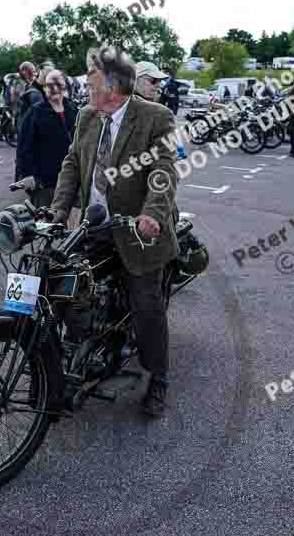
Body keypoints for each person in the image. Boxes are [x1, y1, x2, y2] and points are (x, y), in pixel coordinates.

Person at [50, 44, 179, 417]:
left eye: (92, 84)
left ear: (114, 87)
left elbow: (163, 170)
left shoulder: (157, 116)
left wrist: (152, 214)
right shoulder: (88, 116)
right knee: (62, 286)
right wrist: (59, 209)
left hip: (138, 231)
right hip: (94, 226)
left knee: (146, 306)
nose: (87, 91)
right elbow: (73, 163)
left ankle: (158, 376)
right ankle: (72, 357)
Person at [15, 69, 78, 208]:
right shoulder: (36, 112)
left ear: (64, 86)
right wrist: (27, 174)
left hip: (71, 183)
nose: (54, 88)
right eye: (49, 85)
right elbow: (24, 147)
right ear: (44, 88)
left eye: (58, 84)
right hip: (46, 184)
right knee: (46, 225)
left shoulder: (74, 110)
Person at [16, 62, 45, 134]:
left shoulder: (34, 90)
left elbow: (38, 113)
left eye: (21, 71)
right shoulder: (29, 86)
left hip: (30, 130)